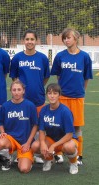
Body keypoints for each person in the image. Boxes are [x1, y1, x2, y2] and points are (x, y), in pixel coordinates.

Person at [51, 28, 93, 165]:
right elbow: (58, 75)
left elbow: (86, 77)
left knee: (76, 127)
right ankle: (58, 153)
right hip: (62, 97)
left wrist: (81, 91)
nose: (66, 40)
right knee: (59, 126)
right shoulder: (60, 56)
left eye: (68, 37)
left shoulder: (85, 57)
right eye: (64, 38)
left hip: (77, 98)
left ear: (76, 39)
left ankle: (79, 155)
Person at [9, 30, 50, 163]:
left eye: (32, 39)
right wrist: (20, 92)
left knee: (37, 126)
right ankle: (19, 152)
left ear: (36, 41)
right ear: (23, 41)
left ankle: (36, 153)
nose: (29, 42)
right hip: (22, 100)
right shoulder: (17, 58)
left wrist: (37, 86)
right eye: (27, 39)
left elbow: (46, 77)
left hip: (38, 98)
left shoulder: (42, 58)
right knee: (22, 124)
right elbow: (14, 78)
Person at [31, 83, 79, 174]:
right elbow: (41, 130)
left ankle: (73, 163)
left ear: (59, 95)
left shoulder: (65, 111)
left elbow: (69, 135)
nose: (52, 96)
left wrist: (53, 146)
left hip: (67, 140)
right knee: (35, 146)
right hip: (52, 138)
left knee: (69, 147)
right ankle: (49, 160)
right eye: (49, 93)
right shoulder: (44, 110)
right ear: (46, 95)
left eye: (55, 93)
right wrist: (42, 143)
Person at [0, 80, 38, 173]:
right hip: (11, 139)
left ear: (23, 91)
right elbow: (0, 122)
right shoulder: (5, 106)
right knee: (0, 144)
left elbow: (35, 125)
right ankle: (8, 158)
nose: (16, 92)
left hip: (25, 141)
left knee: (24, 169)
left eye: (19, 89)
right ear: (10, 91)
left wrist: (28, 143)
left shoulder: (30, 105)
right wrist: (2, 132)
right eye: (14, 90)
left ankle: (25, 157)